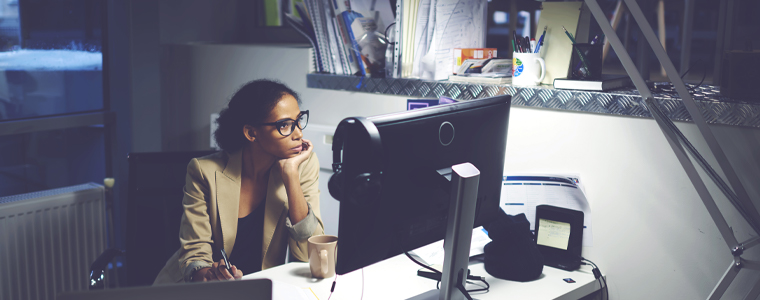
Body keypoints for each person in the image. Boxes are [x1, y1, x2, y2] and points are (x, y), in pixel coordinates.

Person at [154, 79, 324, 284]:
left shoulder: (301, 165)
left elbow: (311, 255)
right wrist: (211, 275)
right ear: (252, 133)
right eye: (285, 125)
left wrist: (290, 176)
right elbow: (194, 254)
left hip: (259, 289)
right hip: (197, 291)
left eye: (298, 120)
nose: (299, 133)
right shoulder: (203, 171)